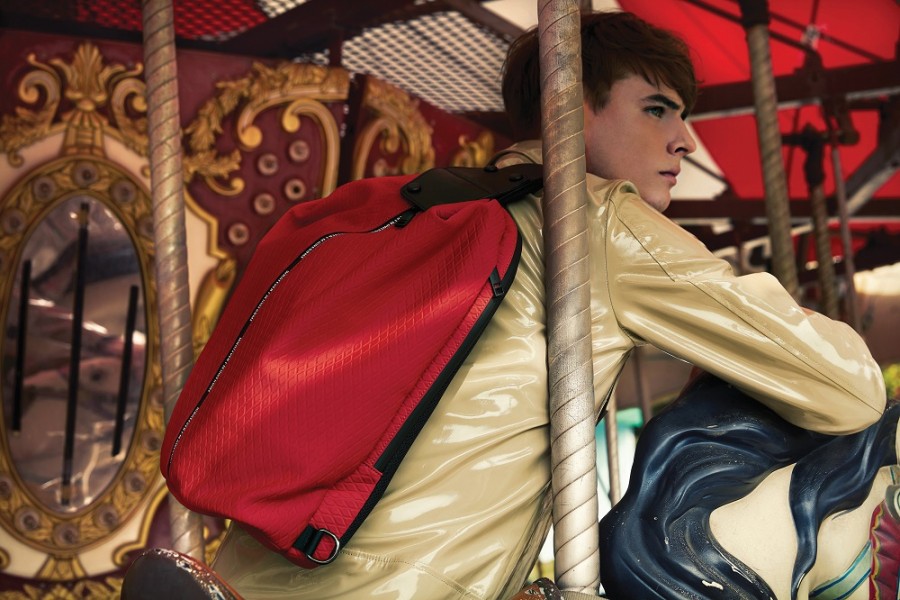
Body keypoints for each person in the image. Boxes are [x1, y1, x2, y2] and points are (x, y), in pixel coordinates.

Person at [209, 10, 886, 599]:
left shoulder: (440, 199)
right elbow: (849, 389)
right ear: (573, 105)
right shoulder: (597, 221)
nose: (684, 138)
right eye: (657, 109)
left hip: (251, 569)